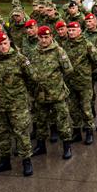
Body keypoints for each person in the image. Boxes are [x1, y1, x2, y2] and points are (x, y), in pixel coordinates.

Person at [0, 32, 35, 177]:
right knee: (1, 134)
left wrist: (22, 95)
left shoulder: (20, 59)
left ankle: (27, 161)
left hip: (17, 105)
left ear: (9, 42)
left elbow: (32, 78)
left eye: (5, 43)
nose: (3, 47)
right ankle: (4, 161)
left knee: (21, 133)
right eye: (0, 45)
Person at [31, 26, 74, 160]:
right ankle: (41, 146)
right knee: (41, 120)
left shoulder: (59, 51)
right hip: (41, 94)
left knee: (62, 120)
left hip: (57, 93)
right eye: (41, 37)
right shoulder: (35, 52)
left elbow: (68, 70)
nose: (43, 40)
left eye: (46, 37)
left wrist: (56, 81)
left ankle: (67, 146)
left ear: (51, 37)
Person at [64, 21, 97, 145]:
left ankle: (89, 130)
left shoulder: (87, 44)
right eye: (69, 30)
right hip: (70, 82)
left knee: (86, 108)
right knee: (73, 109)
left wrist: (88, 71)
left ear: (79, 31)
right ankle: (77, 132)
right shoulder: (65, 45)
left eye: (74, 30)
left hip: (84, 82)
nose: (71, 32)